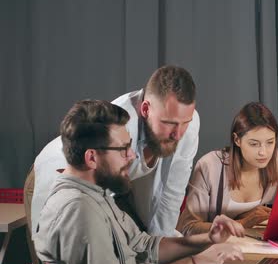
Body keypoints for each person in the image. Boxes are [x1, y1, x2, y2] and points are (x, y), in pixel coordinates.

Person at [33, 100, 244, 264]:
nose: (133, 156)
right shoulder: (78, 209)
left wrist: (208, 239)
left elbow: (145, 246)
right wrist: (195, 263)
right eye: (123, 149)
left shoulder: (97, 194)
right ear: (91, 158)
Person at [30, 65, 200, 236]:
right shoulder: (119, 126)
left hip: (113, 184)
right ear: (146, 109)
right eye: (169, 123)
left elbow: (171, 193)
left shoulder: (188, 125)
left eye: (185, 122)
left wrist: (161, 244)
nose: (178, 134)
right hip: (55, 173)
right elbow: (91, 189)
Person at [177, 102, 278, 235]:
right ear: (237, 140)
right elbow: (188, 227)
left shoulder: (275, 162)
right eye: (254, 144)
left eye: (270, 142)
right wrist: (242, 223)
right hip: (210, 250)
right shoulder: (209, 166)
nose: (263, 152)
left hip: (249, 247)